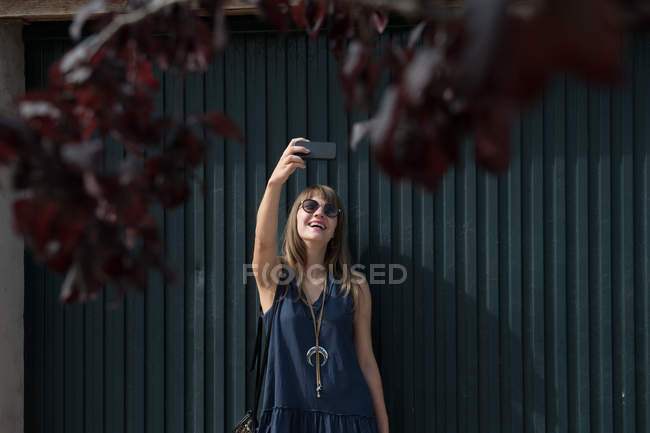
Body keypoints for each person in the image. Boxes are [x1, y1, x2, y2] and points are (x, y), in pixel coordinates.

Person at [252, 137, 390, 433]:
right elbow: (262, 242)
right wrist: (274, 183)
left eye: (330, 211)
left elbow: (366, 360)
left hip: (349, 418)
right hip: (288, 418)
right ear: (295, 218)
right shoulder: (275, 276)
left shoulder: (354, 285)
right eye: (310, 205)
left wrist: (384, 428)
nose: (319, 213)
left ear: (336, 229)